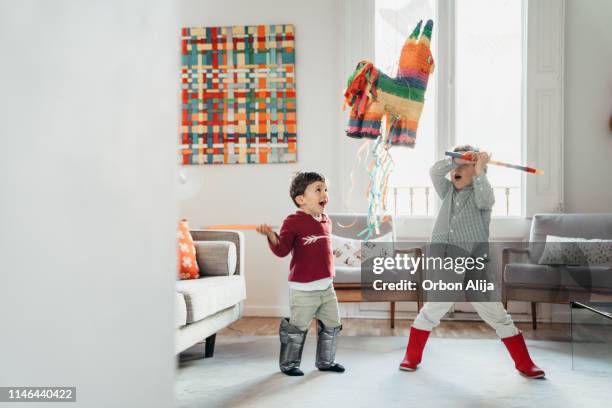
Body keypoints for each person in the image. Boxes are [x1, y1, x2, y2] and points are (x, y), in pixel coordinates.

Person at [399, 145, 545, 379]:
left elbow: (487, 196)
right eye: (456, 164)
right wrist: (457, 159)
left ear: (476, 170)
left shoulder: (481, 196)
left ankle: (524, 362)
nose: (457, 168)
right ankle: (412, 356)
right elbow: (435, 171)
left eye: (464, 165)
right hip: (447, 259)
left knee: (496, 312)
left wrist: (479, 169)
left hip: (476, 262)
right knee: (434, 307)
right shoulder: (447, 191)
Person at [256, 171, 345, 376]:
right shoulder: (293, 221)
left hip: (327, 287)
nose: (324, 194)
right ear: (301, 199)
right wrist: (271, 235)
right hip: (304, 289)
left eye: (325, 189)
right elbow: (282, 250)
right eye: (318, 190)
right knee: (297, 327)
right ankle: (289, 364)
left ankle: (326, 361)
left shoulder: (326, 220)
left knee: (332, 325)